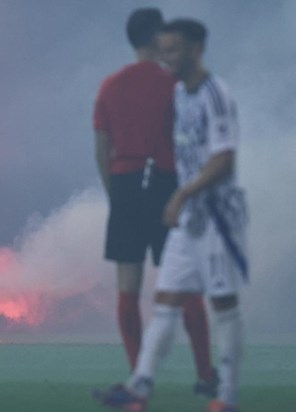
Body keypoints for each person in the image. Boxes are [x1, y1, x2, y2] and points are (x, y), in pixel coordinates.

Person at [94, 19, 248, 412]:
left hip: (160, 193)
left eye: (174, 48)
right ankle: (195, 376)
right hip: (168, 189)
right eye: (164, 47)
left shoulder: (114, 86)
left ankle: (215, 389)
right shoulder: (173, 89)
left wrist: (118, 197)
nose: (167, 56)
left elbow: (102, 148)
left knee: (139, 289)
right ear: (155, 40)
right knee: (179, 294)